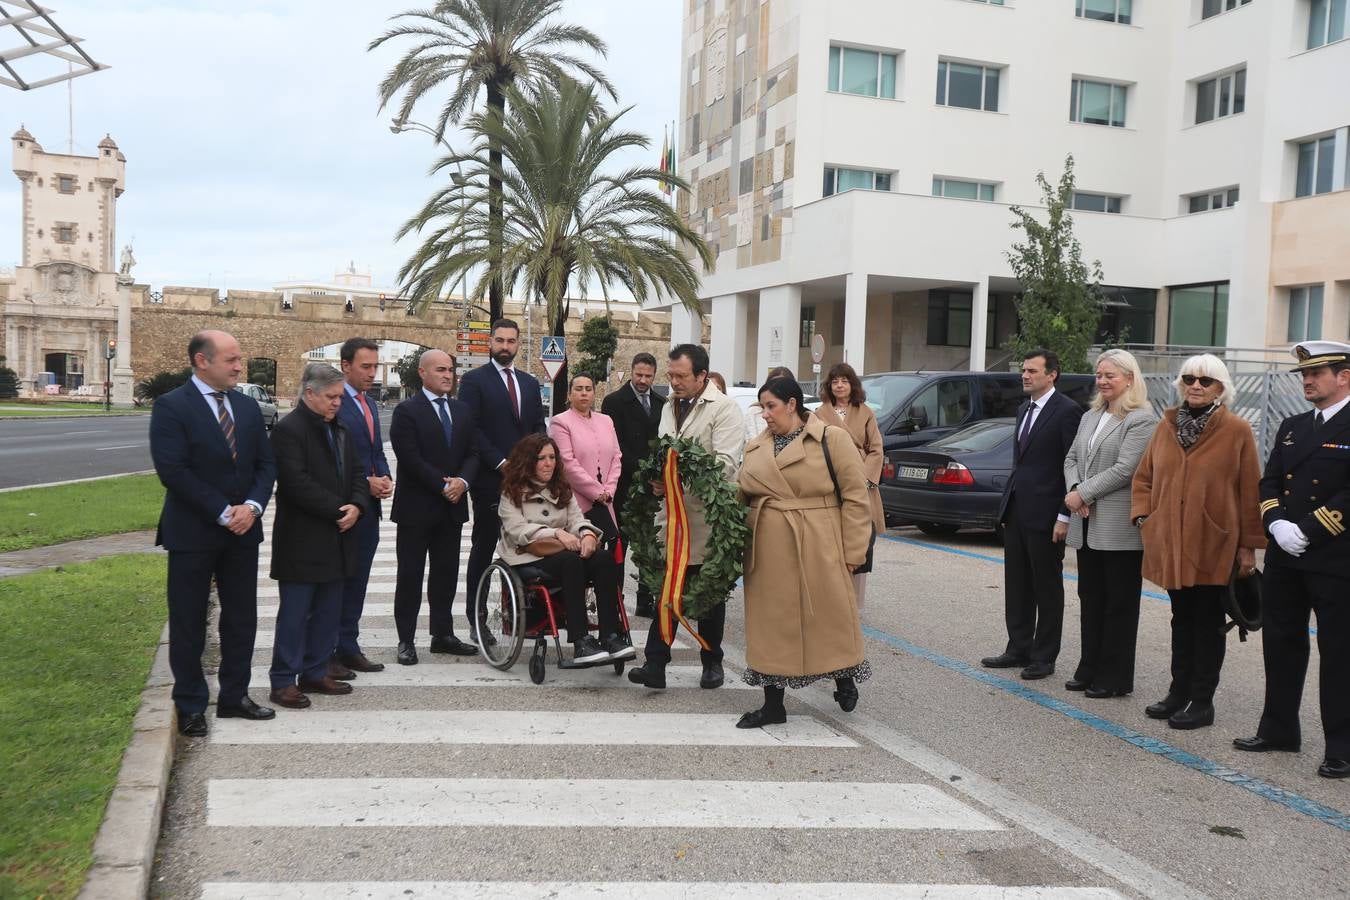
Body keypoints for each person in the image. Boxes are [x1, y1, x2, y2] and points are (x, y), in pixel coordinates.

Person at [149, 330, 276, 737]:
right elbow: (173, 470)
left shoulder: (247, 407)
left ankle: (234, 696)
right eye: (231, 360)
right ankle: (190, 703)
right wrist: (223, 512)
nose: (240, 366)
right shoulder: (172, 407)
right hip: (193, 531)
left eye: (240, 359)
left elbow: (265, 466)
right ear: (202, 361)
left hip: (244, 531)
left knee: (241, 618)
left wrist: (252, 507)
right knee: (188, 621)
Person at [1234, 340, 1350, 780]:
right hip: (1286, 554)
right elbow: (1269, 483)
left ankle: (1341, 745)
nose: (1307, 381)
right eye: (1304, 374)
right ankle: (1279, 729)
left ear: (1344, 376)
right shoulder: (1292, 426)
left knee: (1339, 652)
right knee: (1281, 642)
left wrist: (1310, 529)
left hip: (1335, 557)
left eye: (1317, 374)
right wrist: (1279, 525)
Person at [1130, 354, 1265, 730]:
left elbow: (1249, 490)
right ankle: (1178, 691)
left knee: (1207, 621)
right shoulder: (1165, 426)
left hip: (1214, 542)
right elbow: (1144, 477)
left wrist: (1248, 546)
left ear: (1221, 388)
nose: (1195, 385)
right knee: (1180, 619)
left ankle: (1202, 701)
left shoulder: (1237, 430)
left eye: (1205, 381)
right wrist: (1146, 517)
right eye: (1189, 378)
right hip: (1170, 542)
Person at [736, 377, 873, 727]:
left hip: (819, 539)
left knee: (829, 614)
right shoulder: (755, 447)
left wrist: (854, 550)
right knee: (771, 623)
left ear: (792, 404)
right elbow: (741, 494)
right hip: (768, 545)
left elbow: (857, 498)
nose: (765, 414)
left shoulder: (833, 439)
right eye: (762, 407)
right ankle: (773, 705)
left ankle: (844, 678)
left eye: (771, 406)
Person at [628, 343, 746, 690]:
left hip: (705, 520)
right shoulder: (669, 406)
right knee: (669, 588)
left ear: (702, 376)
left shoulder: (724, 409)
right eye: (671, 375)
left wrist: (678, 477)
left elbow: (725, 464)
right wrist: (657, 477)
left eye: (680, 376)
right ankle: (655, 664)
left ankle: (712, 661)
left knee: (706, 592)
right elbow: (665, 451)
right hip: (672, 519)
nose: (673, 381)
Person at [266, 364, 371, 708]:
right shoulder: (289, 430)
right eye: (331, 397)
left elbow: (357, 472)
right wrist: (340, 510)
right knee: (296, 614)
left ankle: (315, 670)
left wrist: (357, 503)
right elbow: (296, 483)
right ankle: (283, 680)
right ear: (309, 393)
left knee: (328, 611)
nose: (337, 403)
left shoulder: (338, 428)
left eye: (340, 397)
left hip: (338, 537)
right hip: (303, 538)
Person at [982, 349, 1084, 680]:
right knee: (1018, 585)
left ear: (1052, 374)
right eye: (1023, 370)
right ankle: (1018, 648)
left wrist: (1063, 515)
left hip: (1047, 514)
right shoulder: (1024, 407)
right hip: (1017, 510)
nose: (1025, 376)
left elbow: (1070, 466)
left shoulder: (1067, 411)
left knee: (1047, 588)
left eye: (1032, 371)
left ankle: (1044, 656)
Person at [1063, 349, 1157, 699]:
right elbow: (1071, 457)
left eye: (1110, 376)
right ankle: (1089, 667)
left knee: (1118, 604)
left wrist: (1083, 493)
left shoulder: (1141, 419)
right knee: (1091, 598)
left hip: (1118, 527)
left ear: (1130, 379)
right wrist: (1075, 490)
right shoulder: (1091, 415)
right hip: (1086, 523)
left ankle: (1114, 677)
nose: (1102, 381)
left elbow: (1126, 468)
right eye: (1099, 375)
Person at [497, 434, 630, 662]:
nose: (549, 463)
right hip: (528, 554)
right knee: (571, 562)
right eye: (541, 458)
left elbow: (577, 519)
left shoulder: (562, 488)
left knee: (604, 559)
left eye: (552, 457)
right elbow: (517, 530)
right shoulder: (512, 492)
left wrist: (587, 534)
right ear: (527, 461)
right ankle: (580, 641)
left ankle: (610, 634)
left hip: (565, 551)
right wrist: (556, 533)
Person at [388, 350, 480, 665]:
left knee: (445, 574)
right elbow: (410, 458)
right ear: (423, 373)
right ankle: (406, 640)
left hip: (451, 510)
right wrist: (443, 485)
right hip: (417, 508)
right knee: (410, 575)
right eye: (440, 369)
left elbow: (473, 452)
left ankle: (443, 634)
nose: (447, 375)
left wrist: (463, 483)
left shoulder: (462, 410)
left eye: (451, 370)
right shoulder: (406, 411)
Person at [457, 319, 547, 640]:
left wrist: (536, 465)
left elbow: (537, 427)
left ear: (518, 344)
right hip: (489, 481)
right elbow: (472, 428)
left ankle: (527, 617)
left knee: (528, 547)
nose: (505, 346)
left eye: (511, 341)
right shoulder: (473, 381)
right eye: (500, 340)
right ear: (490, 343)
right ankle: (477, 619)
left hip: (526, 484)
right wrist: (501, 463)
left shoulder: (529, 382)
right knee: (483, 549)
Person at [332, 337, 394, 678]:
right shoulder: (334, 402)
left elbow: (375, 450)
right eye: (365, 367)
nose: (372, 373)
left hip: (370, 508)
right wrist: (362, 483)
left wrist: (384, 476)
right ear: (346, 366)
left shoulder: (369, 404)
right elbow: (330, 457)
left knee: (359, 579)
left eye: (375, 367)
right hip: (342, 507)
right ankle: (328, 650)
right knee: (337, 581)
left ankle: (349, 646)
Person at [813, 362, 885, 608]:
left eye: (844, 380)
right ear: (829, 386)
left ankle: (855, 601)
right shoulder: (819, 414)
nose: (840, 385)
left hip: (861, 480)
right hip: (830, 479)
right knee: (831, 538)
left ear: (852, 384)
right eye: (835, 381)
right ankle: (831, 599)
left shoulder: (865, 412)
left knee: (861, 538)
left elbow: (876, 449)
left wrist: (864, 479)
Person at [601, 352, 666, 617]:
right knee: (619, 544)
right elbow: (613, 446)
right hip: (624, 484)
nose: (642, 380)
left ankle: (645, 598)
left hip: (652, 487)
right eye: (639, 374)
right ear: (631, 371)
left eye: (648, 376)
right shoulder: (614, 402)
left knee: (649, 544)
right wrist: (641, 470)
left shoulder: (662, 403)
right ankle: (615, 598)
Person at [550, 373, 623, 538]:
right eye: (579, 389)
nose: (584, 393)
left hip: (606, 500)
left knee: (608, 549)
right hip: (577, 500)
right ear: (569, 394)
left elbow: (616, 457)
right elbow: (567, 463)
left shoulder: (606, 420)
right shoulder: (560, 422)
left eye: (588, 389)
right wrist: (596, 492)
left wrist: (609, 490)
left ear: (594, 394)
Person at [745, 366, 795, 443]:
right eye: (773, 384)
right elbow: (751, 444)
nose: (776, 388)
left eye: (782, 385)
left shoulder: (800, 415)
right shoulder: (754, 413)